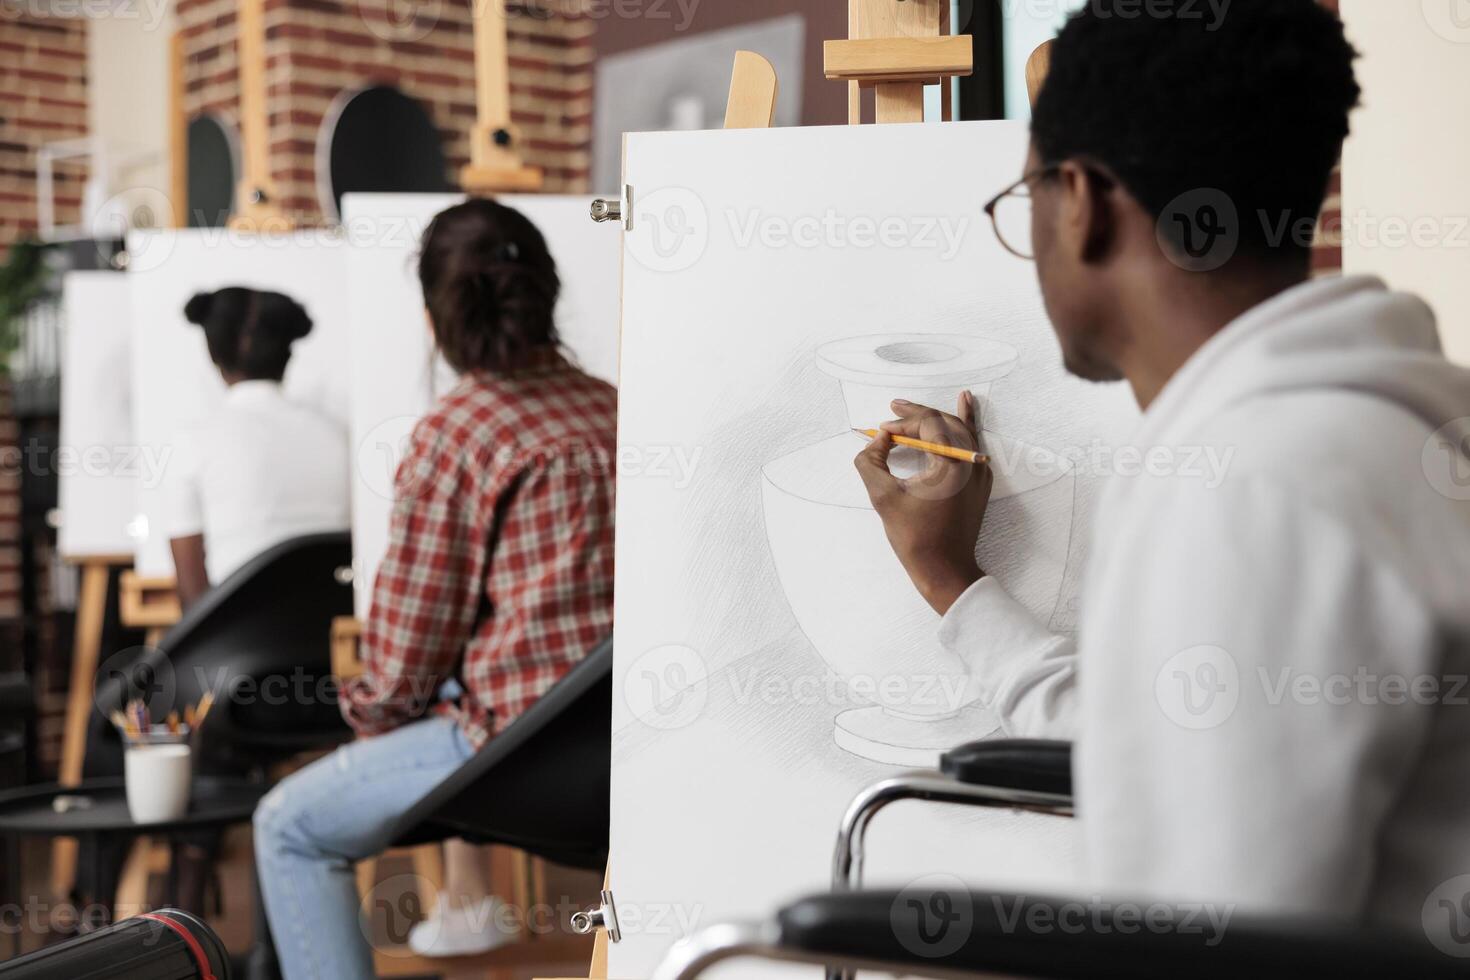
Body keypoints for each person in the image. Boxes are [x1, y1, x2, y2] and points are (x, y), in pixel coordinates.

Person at [854, 0, 1470, 932]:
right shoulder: (1390, 429)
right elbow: (1172, 756)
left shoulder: (1255, 488)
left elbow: (1214, 937)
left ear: (1087, 204)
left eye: (1025, 204)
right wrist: (953, 583)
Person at [253, 199, 617, 979]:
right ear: (546, 296)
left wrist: (368, 715)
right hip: (635, 746)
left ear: (433, 316)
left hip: (521, 755)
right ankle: (466, 905)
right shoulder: (617, 408)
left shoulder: (460, 429)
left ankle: (457, 906)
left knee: (289, 824)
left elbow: (403, 665)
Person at [167, 288, 350, 608]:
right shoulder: (339, 437)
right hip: (332, 645)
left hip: (234, 649)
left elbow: (192, 597)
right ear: (288, 352)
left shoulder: (192, 445)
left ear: (213, 353)